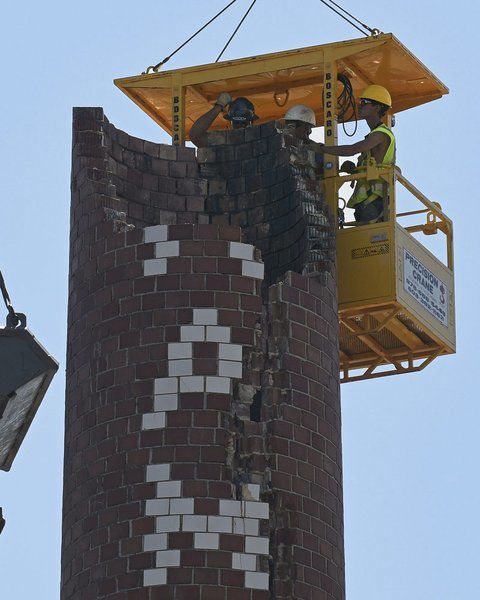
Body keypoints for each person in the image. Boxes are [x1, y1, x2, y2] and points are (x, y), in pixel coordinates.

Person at [316, 85, 395, 224]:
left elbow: (353, 149)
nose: (360, 106)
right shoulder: (373, 135)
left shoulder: (381, 134)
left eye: (364, 103)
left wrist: (323, 149)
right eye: (360, 102)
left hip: (374, 201)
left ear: (377, 107)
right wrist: (355, 168)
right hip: (367, 201)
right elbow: (373, 163)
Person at [189, 93, 258, 147]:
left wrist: (219, 106)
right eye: (237, 124)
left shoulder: (259, 139)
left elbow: (195, 135)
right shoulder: (223, 140)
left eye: (243, 124)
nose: (240, 130)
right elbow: (195, 135)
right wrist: (219, 106)